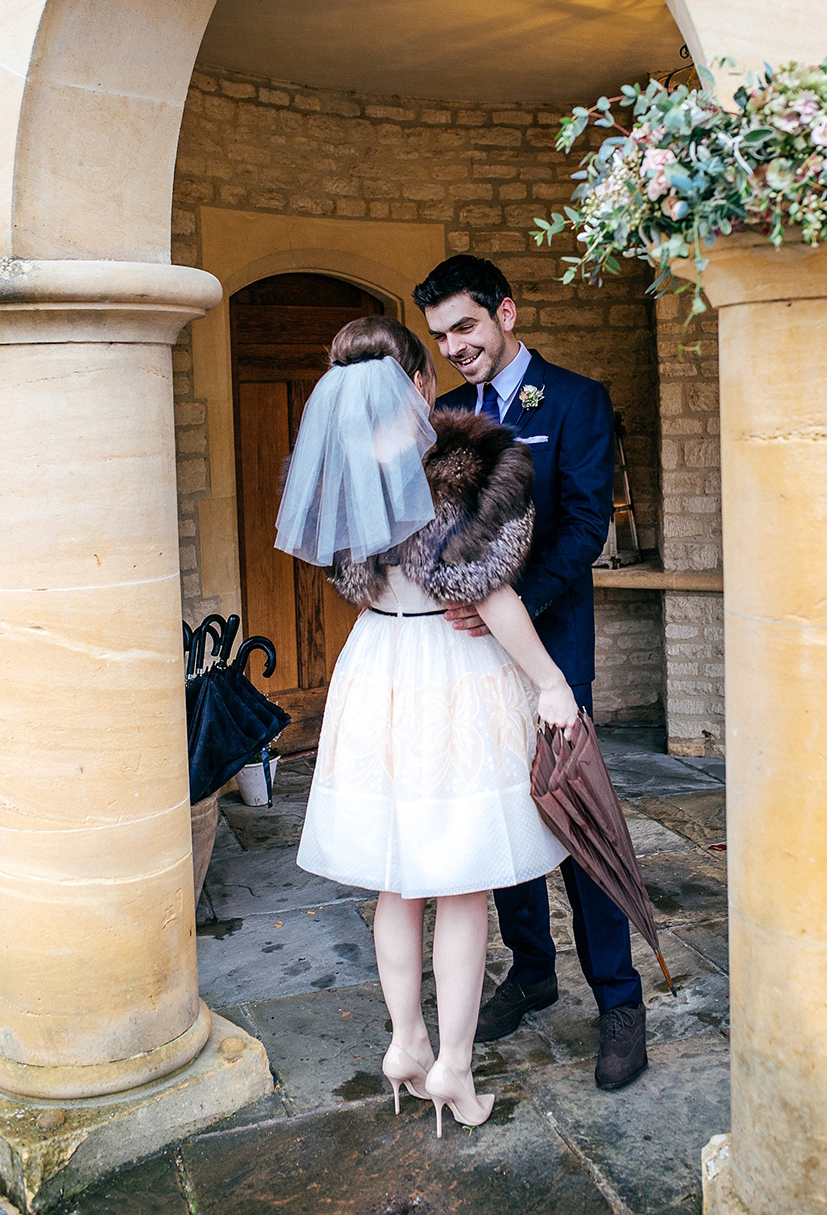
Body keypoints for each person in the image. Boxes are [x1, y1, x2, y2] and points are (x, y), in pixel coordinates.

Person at [275, 315, 576, 1136]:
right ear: (417, 385)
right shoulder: (461, 473)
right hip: (452, 669)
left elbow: (354, 580)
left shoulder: (340, 474)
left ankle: (405, 1043)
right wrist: (550, 683)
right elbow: (490, 594)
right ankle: (453, 1066)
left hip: (377, 667)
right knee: (463, 880)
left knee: (398, 878)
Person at [413, 255, 648, 1091]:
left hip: (553, 646)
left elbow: (586, 526)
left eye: (467, 327)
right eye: (441, 337)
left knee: (576, 818)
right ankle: (533, 970)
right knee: (496, 813)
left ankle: (620, 1000)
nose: (456, 347)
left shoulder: (576, 400)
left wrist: (500, 599)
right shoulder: (442, 414)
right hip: (471, 658)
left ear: (506, 312)